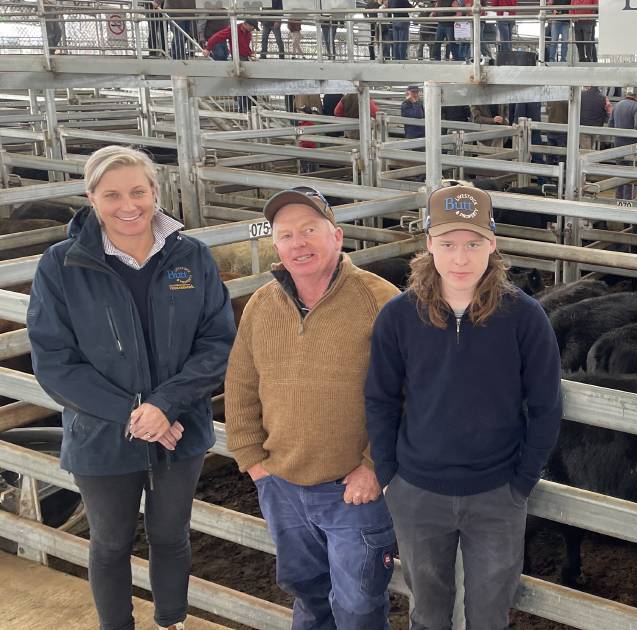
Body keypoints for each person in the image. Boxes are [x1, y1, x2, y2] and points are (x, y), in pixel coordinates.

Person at [28, 145, 236, 630]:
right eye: (112, 194)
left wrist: (165, 406)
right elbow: (54, 362)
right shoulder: (61, 266)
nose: (129, 205)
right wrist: (135, 412)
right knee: (110, 542)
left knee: (170, 535)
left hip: (179, 426)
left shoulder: (192, 256)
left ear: (154, 193)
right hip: (103, 432)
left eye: (138, 191)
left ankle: (171, 621)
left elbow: (218, 342)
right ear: (91, 197)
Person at [365, 183, 562, 630]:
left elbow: (546, 405)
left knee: (490, 616)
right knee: (428, 613)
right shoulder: (398, 317)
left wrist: (522, 481)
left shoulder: (525, 317)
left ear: (492, 245)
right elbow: (379, 398)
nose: (461, 258)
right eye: (449, 244)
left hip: (496, 494)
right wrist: (389, 475)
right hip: (417, 492)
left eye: (474, 243)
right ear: (429, 244)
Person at [225, 186, 400, 629]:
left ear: (336, 236)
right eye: (286, 235)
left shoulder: (380, 301)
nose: (298, 244)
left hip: (352, 488)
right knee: (307, 591)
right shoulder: (262, 304)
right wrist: (251, 459)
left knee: (358, 603)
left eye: (309, 230)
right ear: (276, 245)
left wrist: (374, 465)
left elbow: (411, 391)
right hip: (280, 484)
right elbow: (242, 382)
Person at [611, 88, 637, 199]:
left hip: (618, 144)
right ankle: (627, 203)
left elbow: (610, 125)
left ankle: (618, 200)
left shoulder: (617, 105)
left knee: (620, 173)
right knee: (630, 175)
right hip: (632, 146)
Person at [579, 86, 610, 150]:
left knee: (585, 149)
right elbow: (607, 112)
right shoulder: (603, 98)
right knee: (590, 147)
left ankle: (586, 159)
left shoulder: (581, 95)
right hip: (596, 127)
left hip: (583, 126)